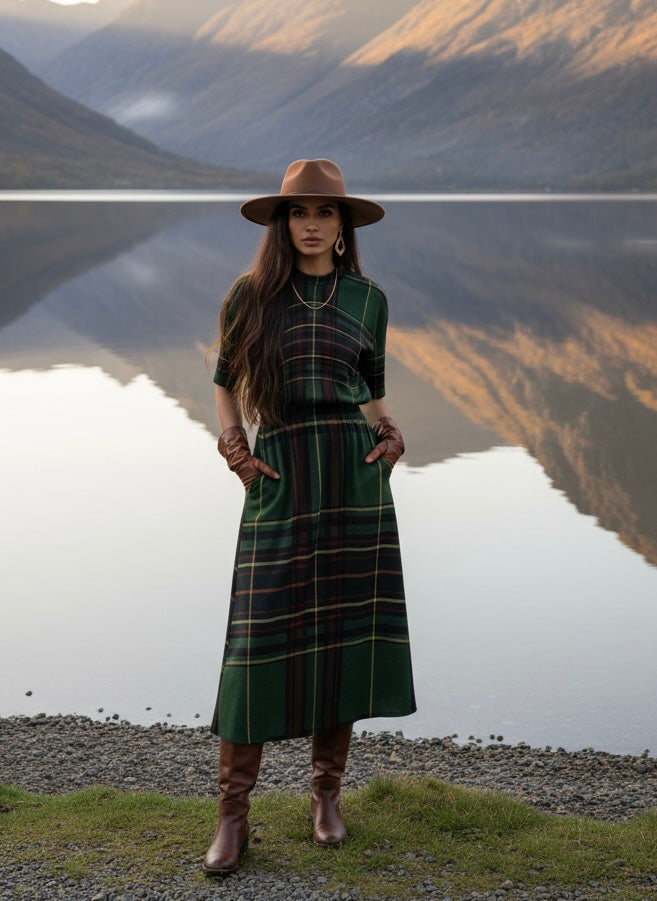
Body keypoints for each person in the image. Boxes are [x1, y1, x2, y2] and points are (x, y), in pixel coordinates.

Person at [203, 159, 416, 876]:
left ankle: (326, 795)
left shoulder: (368, 298)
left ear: (343, 225)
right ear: (282, 222)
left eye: (327, 213)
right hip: (282, 469)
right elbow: (226, 385)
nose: (314, 224)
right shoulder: (250, 295)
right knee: (256, 635)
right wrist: (235, 452)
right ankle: (233, 814)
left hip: (352, 477)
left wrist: (390, 436)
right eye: (300, 212)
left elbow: (372, 390)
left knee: (341, 635)